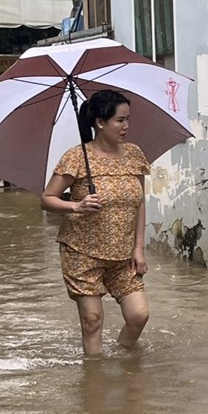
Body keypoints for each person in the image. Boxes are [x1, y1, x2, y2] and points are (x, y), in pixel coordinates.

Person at [40, 89, 151, 357]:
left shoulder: (134, 154)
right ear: (100, 123)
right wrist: (76, 205)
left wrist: (138, 249)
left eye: (128, 119)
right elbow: (47, 199)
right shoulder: (77, 158)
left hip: (123, 255)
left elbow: (139, 203)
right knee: (92, 321)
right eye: (120, 120)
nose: (126, 126)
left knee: (139, 315)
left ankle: (125, 360)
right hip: (83, 252)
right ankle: (95, 385)